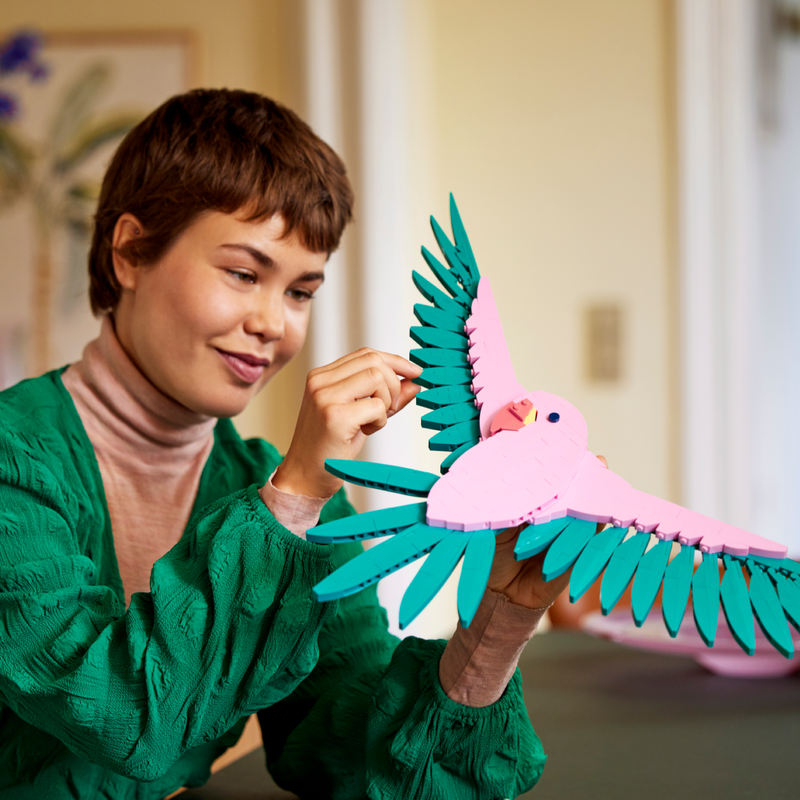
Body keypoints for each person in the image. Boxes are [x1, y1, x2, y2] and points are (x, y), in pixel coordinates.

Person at [0, 88, 569, 800]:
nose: (273, 323)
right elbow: (120, 717)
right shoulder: (15, 464)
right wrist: (295, 498)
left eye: (300, 292)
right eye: (244, 274)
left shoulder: (283, 495)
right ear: (129, 253)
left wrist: (499, 619)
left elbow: (354, 757)